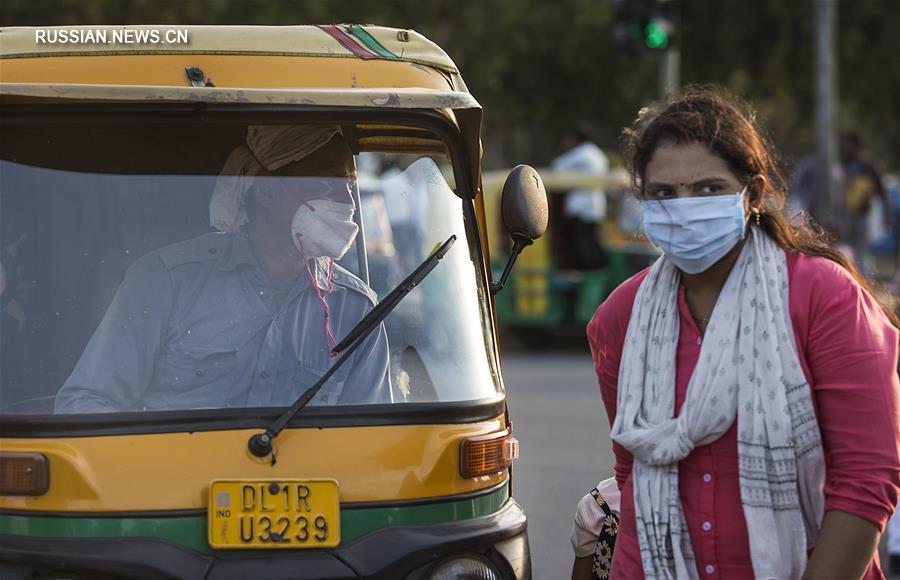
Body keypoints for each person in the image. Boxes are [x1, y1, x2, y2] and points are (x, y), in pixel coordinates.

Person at [584, 87, 899, 579]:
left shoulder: (824, 298)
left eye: (708, 189)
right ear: (642, 202)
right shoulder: (620, 317)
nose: (684, 206)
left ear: (751, 194)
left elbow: (866, 481)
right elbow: (633, 475)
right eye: (664, 193)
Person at [55, 125, 392, 413]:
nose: (348, 204)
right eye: (327, 185)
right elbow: (86, 402)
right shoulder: (167, 281)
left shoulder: (355, 309)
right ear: (267, 192)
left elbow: (375, 441)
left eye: (349, 188)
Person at [551, 124, 610, 270]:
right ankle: (597, 271)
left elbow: (557, 166)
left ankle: (580, 274)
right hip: (596, 206)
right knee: (592, 241)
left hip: (580, 206)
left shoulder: (581, 153)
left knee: (578, 245)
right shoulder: (599, 155)